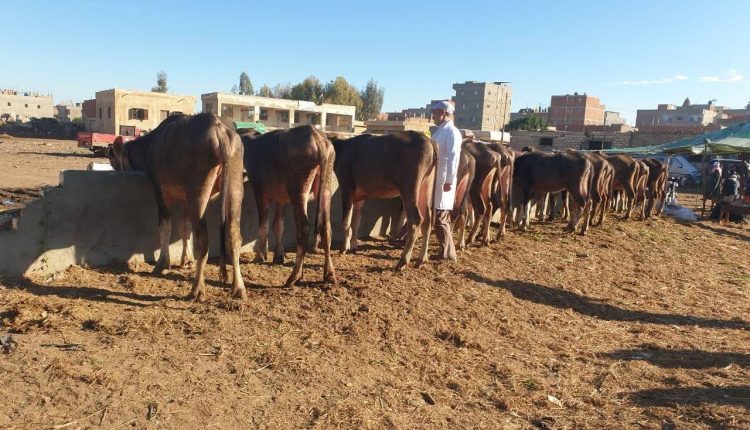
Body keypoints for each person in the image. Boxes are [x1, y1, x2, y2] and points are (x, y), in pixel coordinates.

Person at [430, 100, 462, 262]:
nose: (433, 116)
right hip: (437, 178)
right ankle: (446, 251)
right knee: (440, 216)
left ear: (442, 113)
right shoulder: (441, 131)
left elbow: (453, 157)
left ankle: (449, 254)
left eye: (434, 113)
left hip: (443, 180)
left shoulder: (452, 132)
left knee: (441, 217)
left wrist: (449, 180)